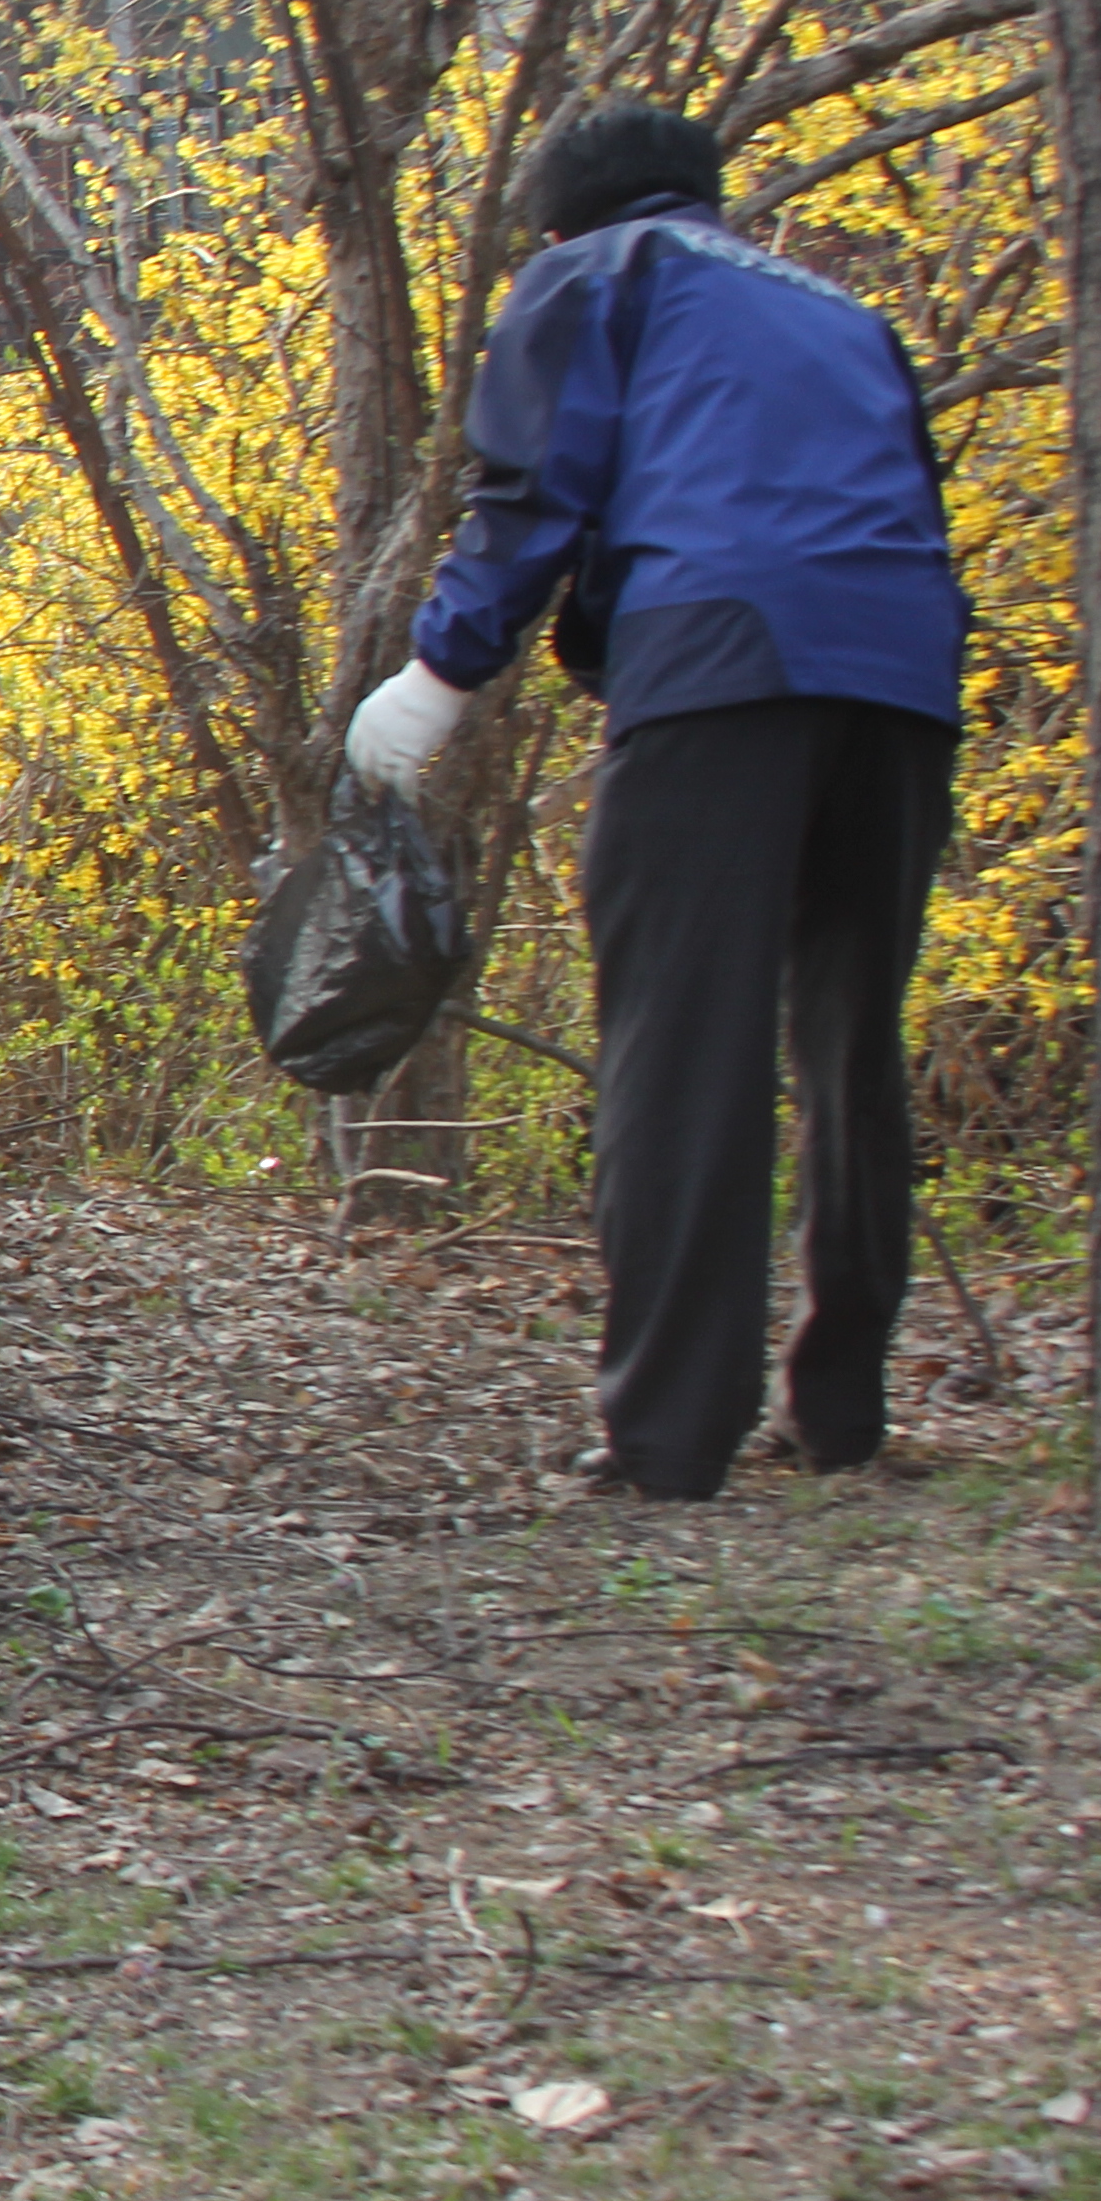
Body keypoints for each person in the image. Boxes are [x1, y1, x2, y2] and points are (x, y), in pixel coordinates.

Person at [341, 98, 969, 1498]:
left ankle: (671, 1438)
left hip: (722, 661)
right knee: (853, 1043)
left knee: (687, 1041)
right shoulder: (837, 308)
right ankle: (842, 1411)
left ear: (560, 221)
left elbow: (533, 492)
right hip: (904, 673)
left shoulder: (593, 275)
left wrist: (440, 676)